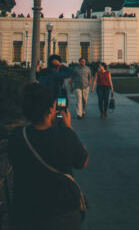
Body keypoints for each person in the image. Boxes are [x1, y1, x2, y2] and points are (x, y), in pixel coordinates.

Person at [8, 82, 89, 230]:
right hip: (61, 212)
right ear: (51, 109)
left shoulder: (16, 136)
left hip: (25, 211)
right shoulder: (64, 135)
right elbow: (83, 161)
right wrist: (69, 128)